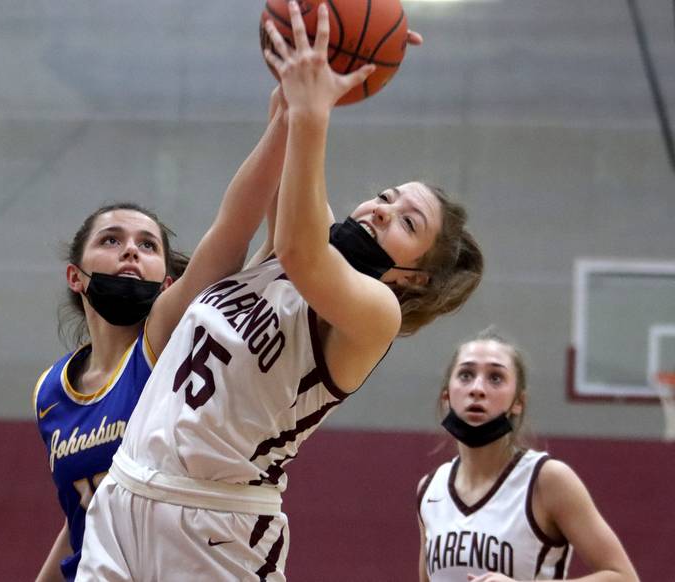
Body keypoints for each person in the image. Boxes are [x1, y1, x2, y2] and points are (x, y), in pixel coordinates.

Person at [76, 3, 482, 580]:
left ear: (412, 276)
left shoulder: (374, 314)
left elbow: (300, 249)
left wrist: (315, 113)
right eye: (387, 197)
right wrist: (312, 57)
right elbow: (256, 188)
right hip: (127, 491)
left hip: (218, 525)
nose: (381, 211)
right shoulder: (291, 246)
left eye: (406, 223)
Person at [33, 202, 188, 581]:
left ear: (168, 284)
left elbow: (232, 242)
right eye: (111, 239)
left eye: (148, 245)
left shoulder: (167, 348)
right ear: (75, 276)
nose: (131, 249)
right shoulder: (50, 390)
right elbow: (83, 518)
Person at [416, 328, 640, 582]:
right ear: (446, 395)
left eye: (496, 378)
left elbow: (624, 577)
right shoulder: (430, 489)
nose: (477, 388)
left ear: (518, 401)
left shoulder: (548, 480)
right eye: (466, 375)